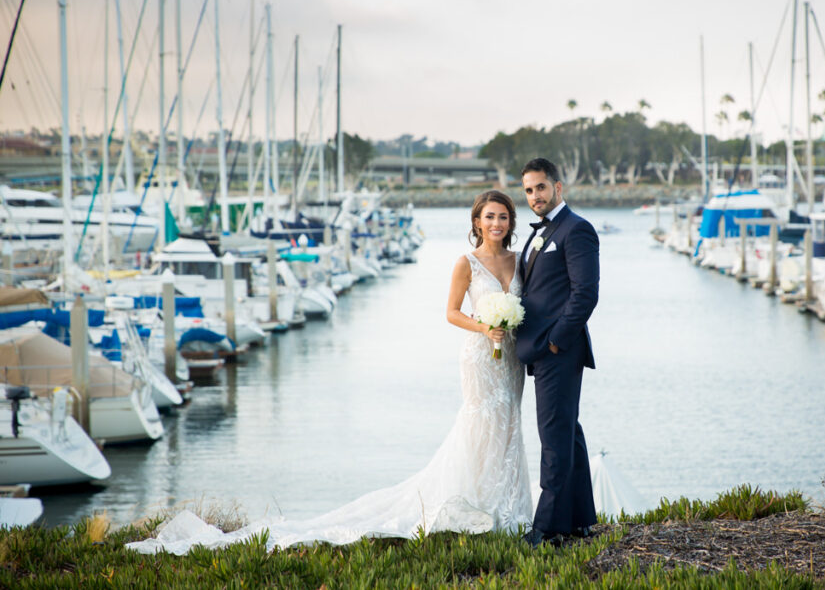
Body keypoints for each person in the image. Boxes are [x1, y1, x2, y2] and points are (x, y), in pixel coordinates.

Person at [126, 190, 532, 554]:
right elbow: (450, 312)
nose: (496, 224)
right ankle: (477, 503)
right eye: (489, 216)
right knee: (480, 423)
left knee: (510, 424)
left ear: (511, 223)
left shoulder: (519, 261)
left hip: (511, 358)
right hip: (480, 356)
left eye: (503, 217)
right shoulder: (466, 263)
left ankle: (508, 507)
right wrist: (483, 326)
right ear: (477, 221)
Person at [516, 158, 599, 546]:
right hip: (543, 350)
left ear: (558, 187)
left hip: (559, 351)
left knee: (553, 434)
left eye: (541, 188)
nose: (535, 196)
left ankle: (547, 528)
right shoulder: (538, 233)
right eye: (529, 190)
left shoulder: (577, 230)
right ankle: (581, 518)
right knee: (568, 432)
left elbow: (585, 295)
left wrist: (554, 342)